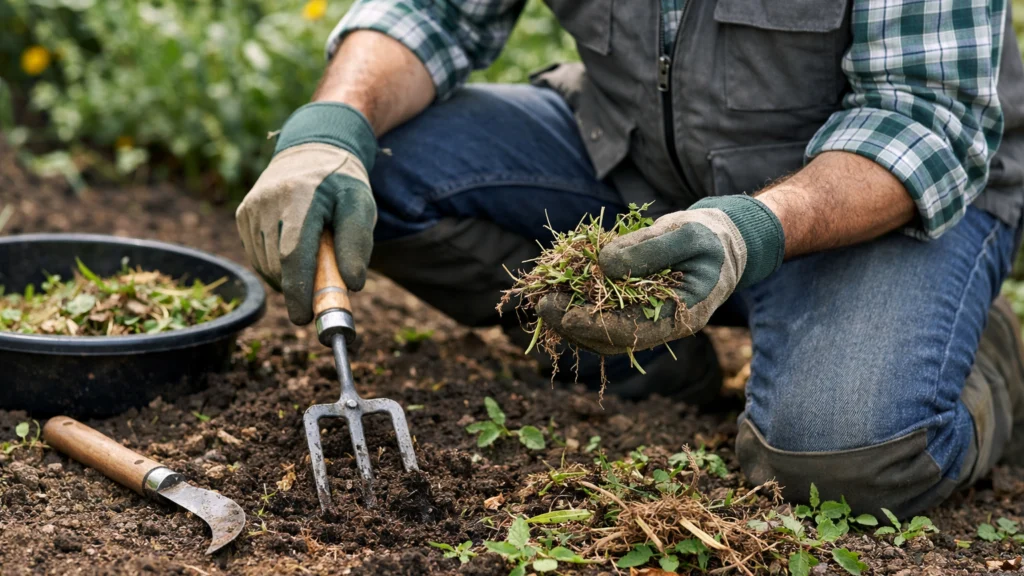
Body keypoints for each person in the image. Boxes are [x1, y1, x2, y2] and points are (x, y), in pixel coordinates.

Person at [235, 0, 1024, 517]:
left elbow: (926, 117)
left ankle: (978, 355)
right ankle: (648, 354)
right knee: (378, 169)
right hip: (634, 157)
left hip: (871, 193)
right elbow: (432, 12)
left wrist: (750, 227)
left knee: (840, 464)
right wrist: (331, 127)